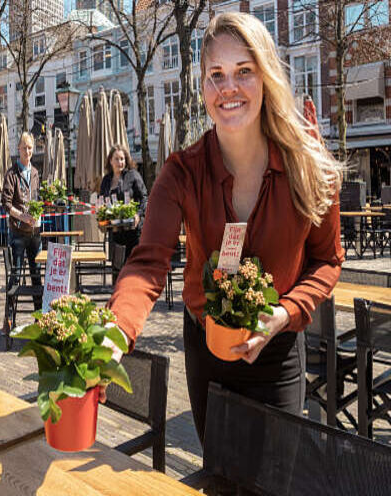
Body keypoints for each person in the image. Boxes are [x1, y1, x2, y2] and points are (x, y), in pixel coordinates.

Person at [107, 12, 344, 444]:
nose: (228, 87)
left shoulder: (310, 167)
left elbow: (327, 261)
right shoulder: (181, 173)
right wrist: (116, 331)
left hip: (277, 351)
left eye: (244, 71)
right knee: (217, 473)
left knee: (275, 479)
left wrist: (286, 312)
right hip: (206, 351)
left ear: (266, 77)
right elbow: (148, 262)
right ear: (201, 86)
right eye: (216, 74)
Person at [1, 132, 42, 309]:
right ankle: (9, 316)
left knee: (36, 274)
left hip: (35, 233)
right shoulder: (11, 173)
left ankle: (40, 315)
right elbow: (6, 203)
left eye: (30, 147)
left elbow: (37, 198)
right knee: (16, 275)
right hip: (18, 232)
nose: (27, 151)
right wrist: (22, 216)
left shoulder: (35, 172)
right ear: (18, 149)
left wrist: (39, 212)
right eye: (24, 147)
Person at [98, 144, 148, 258]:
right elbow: (102, 201)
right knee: (117, 269)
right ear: (110, 161)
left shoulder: (133, 176)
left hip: (133, 230)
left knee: (133, 269)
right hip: (115, 232)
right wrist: (102, 217)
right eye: (116, 159)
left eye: (122, 159)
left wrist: (138, 214)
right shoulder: (106, 180)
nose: (120, 162)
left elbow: (144, 198)